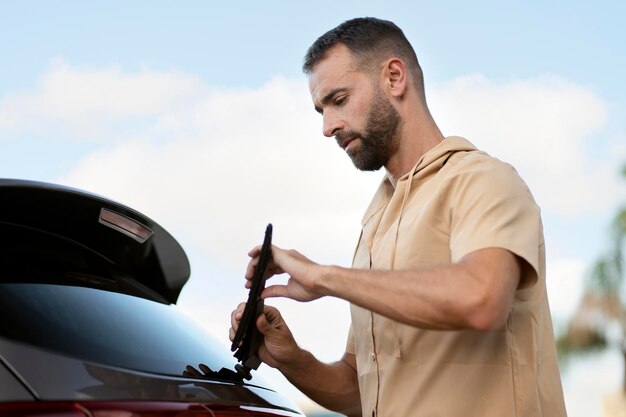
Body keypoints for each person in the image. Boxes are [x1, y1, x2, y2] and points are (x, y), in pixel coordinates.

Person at [229, 17, 567, 417]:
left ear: (394, 77)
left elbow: (482, 298)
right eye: (320, 110)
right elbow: (362, 391)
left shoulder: (483, 180)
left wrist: (324, 277)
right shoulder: (375, 224)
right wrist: (290, 359)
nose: (327, 127)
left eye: (338, 100)